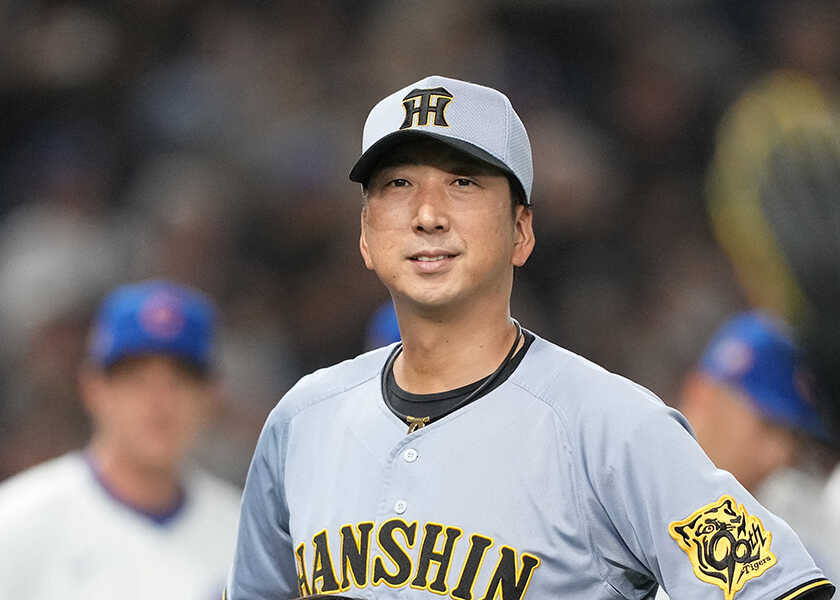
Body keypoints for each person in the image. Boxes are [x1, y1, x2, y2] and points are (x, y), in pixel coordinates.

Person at [226, 76, 834, 599]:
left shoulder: (613, 427)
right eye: (398, 184)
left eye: (463, 183)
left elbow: (778, 588)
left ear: (521, 231)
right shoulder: (300, 423)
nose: (428, 214)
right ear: (365, 233)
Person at [0, 280, 242, 599]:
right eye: (136, 380)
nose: (158, 402)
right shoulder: (17, 521)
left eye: (179, 381)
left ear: (211, 395)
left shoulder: (244, 533)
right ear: (93, 388)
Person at [676, 311, 840, 580]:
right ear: (702, 395)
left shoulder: (791, 523)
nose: (780, 455)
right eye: (767, 425)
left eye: (793, 437)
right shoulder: (621, 493)